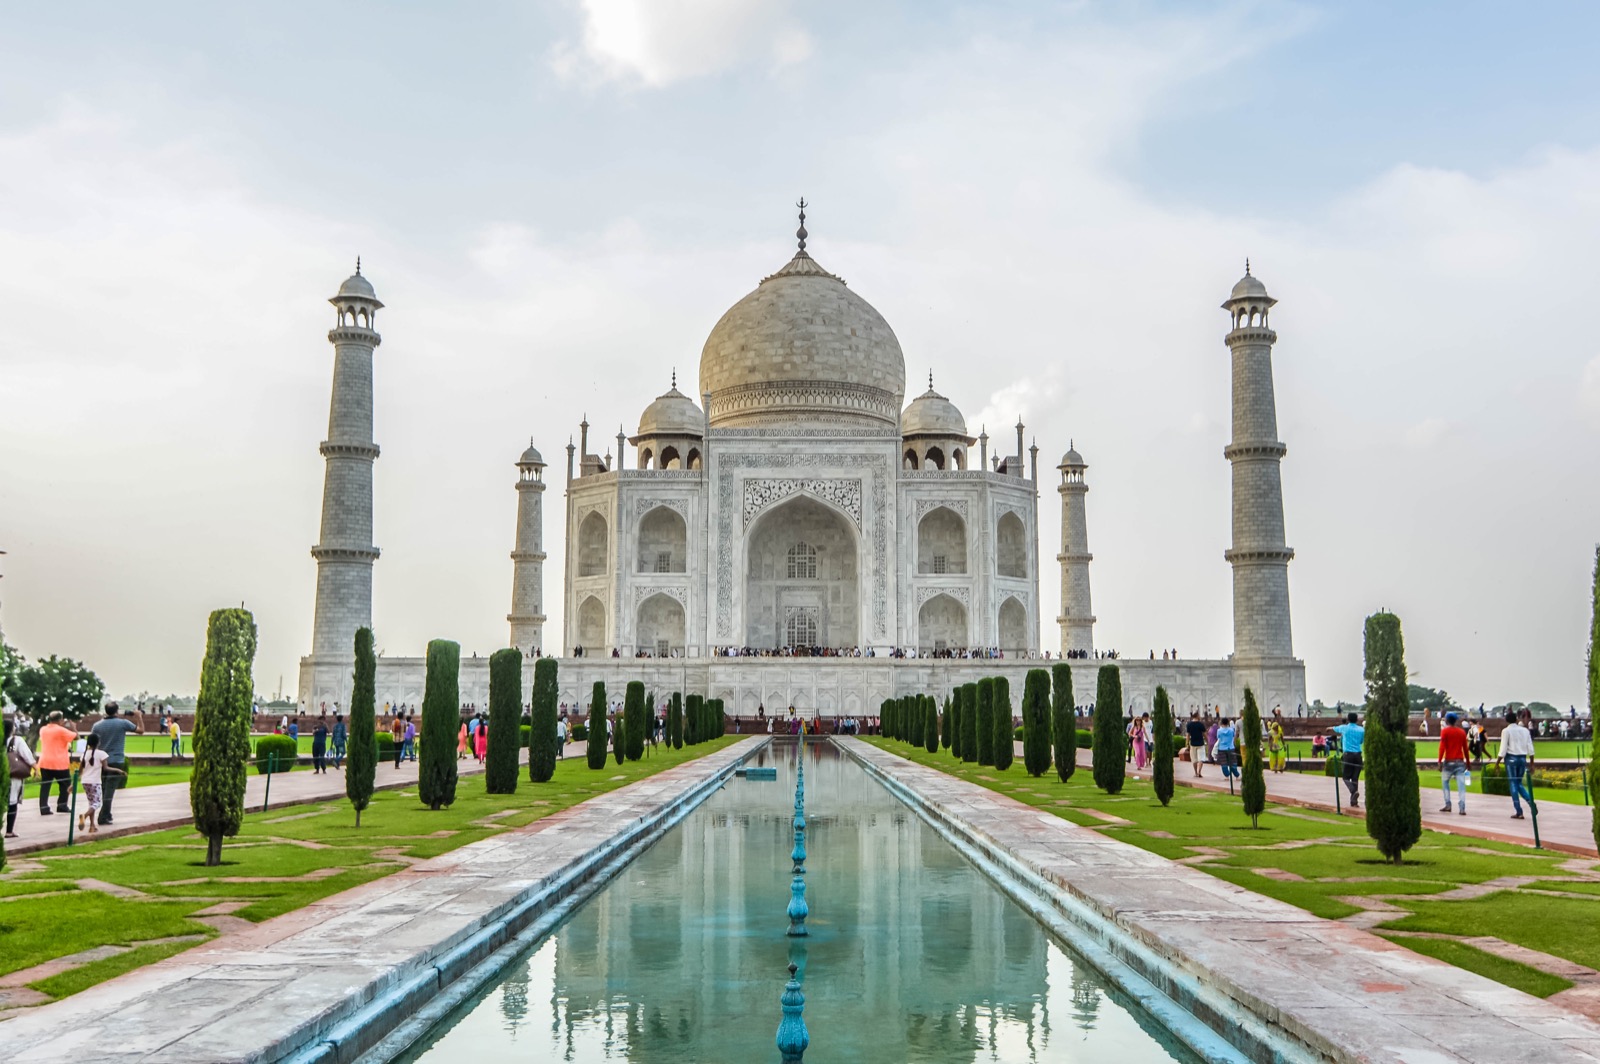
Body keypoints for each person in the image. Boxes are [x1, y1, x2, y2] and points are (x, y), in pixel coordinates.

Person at [90, 703, 139, 826]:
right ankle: (103, 816)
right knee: (109, 790)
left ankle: (107, 813)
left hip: (101, 760)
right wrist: (139, 717)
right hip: (116, 760)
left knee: (105, 788)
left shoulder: (97, 725)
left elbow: (92, 744)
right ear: (117, 711)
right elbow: (141, 731)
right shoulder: (122, 723)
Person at [76, 733, 124, 835]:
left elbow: (80, 770)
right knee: (97, 803)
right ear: (98, 743)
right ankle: (84, 816)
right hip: (95, 782)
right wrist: (118, 770)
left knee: (91, 804)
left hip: (85, 781)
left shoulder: (84, 754)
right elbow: (106, 768)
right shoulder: (101, 754)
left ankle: (92, 827)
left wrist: (73, 783)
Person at [1495, 710, 1535, 820]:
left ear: (1506, 720)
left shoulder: (1506, 731)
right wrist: (1532, 764)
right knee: (1518, 783)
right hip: (1522, 758)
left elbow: (1503, 749)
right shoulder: (1525, 731)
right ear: (1516, 719)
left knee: (1513, 784)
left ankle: (1519, 810)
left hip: (1511, 759)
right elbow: (1530, 749)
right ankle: (1530, 802)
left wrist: (1497, 762)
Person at [36, 711, 75, 815]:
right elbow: (76, 737)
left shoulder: (43, 729)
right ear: (60, 720)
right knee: (65, 784)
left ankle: (44, 807)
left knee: (45, 785)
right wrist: (73, 726)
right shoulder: (61, 730)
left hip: (45, 761)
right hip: (59, 762)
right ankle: (62, 805)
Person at [6, 719, 37, 837]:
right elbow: (27, 755)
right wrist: (35, 767)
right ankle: (9, 831)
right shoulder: (16, 740)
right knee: (12, 801)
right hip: (14, 776)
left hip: (3, 775)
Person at [1437, 712, 1470, 816]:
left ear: (1447, 720)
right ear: (1456, 721)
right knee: (1461, 785)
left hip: (1449, 761)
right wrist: (1468, 762)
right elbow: (1465, 749)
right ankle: (1462, 807)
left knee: (1445, 782)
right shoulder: (1461, 732)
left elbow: (1442, 747)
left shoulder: (1445, 731)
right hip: (1460, 761)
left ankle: (1448, 804)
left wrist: (1439, 761)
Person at [1333, 712, 1365, 807]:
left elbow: (1334, 728)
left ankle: (1353, 791)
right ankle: (1354, 802)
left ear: (1348, 719)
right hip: (1358, 755)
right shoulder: (1361, 730)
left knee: (1346, 777)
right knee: (1355, 778)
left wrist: (1328, 729)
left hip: (1348, 755)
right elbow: (1361, 741)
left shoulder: (1344, 728)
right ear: (1357, 719)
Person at [1214, 717, 1239, 781]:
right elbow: (1233, 736)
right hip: (1230, 747)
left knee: (1224, 763)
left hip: (1221, 748)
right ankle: (1237, 775)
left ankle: (1227, 776)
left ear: (1221, 723)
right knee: (1233, 762)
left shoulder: (1219, 731)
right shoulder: (1231, 730)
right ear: (1228, 723)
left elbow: (1218, 738)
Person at [1184, 712, 1207, 777]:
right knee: (1201, 759)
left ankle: (1195, 772)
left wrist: (1187, 743)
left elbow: (1188, 735)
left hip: (1193, 743)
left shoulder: (1189, 724)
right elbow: (1204, 734)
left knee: (1194, 759)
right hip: (1200, 743)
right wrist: (1208, 741)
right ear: (1197, 716)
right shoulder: (1200, 724)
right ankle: (1199, 771)